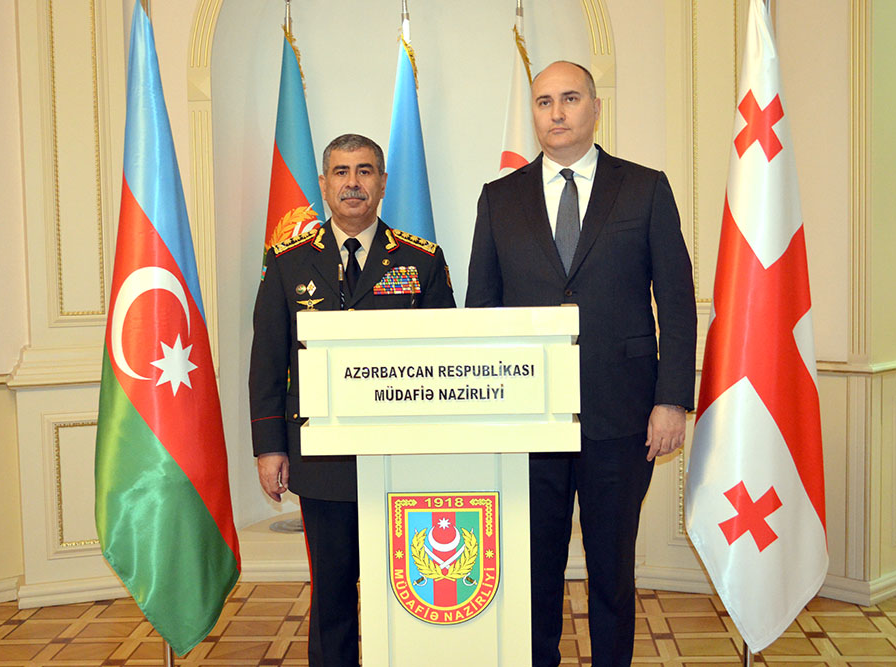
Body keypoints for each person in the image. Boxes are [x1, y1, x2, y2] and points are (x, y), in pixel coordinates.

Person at [466, 61, 696, 666]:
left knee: (612, 570)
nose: (557, 112)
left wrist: (671, 400)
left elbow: (675, 302)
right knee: (533, 568)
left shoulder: (644, 188)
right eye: (544, 102)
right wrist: (489, 412)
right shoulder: (499, 198)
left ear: (595, 107)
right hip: (527, 419)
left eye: (570, 98)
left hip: (622, 416)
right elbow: (481, 310)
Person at [249, 133, 455, 667]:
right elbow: (267, 360)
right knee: (333, 594)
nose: (353, 183)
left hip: (403, 459)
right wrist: (270, 447)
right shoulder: (288, 261)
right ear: (323, 184)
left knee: (407, 591)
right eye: (341, 172)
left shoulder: (422, 260)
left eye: (364, 171)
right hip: (323, 460)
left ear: (382, 183)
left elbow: (447, 359)